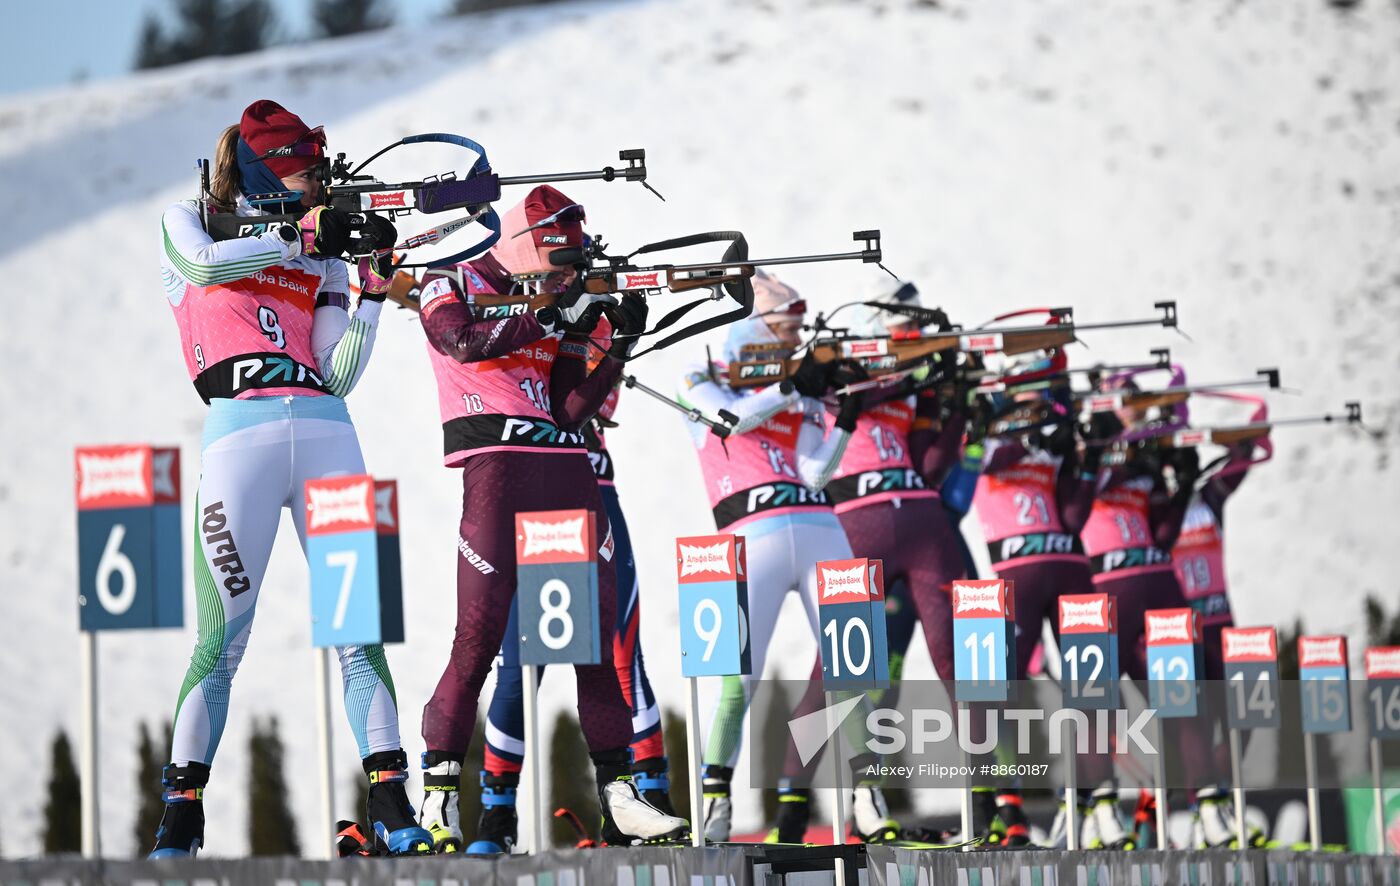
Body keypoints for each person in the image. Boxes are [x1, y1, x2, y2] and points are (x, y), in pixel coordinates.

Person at [151, 100, 430, 857]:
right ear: (268, 169)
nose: (319, 190)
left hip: (326, 434)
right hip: (238, 433)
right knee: (222, 641)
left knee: (359, 635)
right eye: (308, 174)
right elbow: (201, 267)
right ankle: (180, 816)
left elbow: (336, 373)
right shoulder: (191, 220)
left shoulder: (322, 251)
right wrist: (291, 236)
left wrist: (368, 293)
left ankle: (393, 806)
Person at [414, 185, 687, 851]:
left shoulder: (559, 300)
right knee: (477, 642)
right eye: (560, 260)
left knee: (594, 646)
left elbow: (568, 408)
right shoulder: (454, 278)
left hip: (567, 471)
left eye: (574, 266)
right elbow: (461, 342)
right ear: (530, 245)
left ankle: (619, 796)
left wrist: (616, 341)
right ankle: (440, 798)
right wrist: (550, 313)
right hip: (497, 474)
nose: (569, 276)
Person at [676, 273, 895, 843]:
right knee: (736, 684)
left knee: (857, 671)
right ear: (755, 325)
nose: (795, 336)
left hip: (823, 527)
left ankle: (868, 800)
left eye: (798, 328)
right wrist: (794, 386)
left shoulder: (799, 383)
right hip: (749, 537)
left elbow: (817, 472)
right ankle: (716, 799)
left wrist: (845, 417)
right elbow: (730, 420)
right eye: (786, 325)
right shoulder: (700, 376)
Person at [764, 282, 969, 845]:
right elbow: (835, 393)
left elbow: (931, 464)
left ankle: (991, 806)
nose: (914, 335)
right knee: (835, 667)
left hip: (920, 516)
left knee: (960, 659)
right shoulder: (839, 359)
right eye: (906, 324)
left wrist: (951, 401)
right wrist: (918, 375)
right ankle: (792, 809)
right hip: (852, 520)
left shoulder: (905, 368)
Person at [470, 374, 678, 854]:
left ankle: (649, 793)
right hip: (528, 484)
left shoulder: (587, 300)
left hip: (592, 484)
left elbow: (603, 396)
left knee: (621, 651)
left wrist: (605, 324)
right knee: (519, 664)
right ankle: (497, 813)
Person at [1075, 367, 1201, 849]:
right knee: (1097, 705)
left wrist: (1182, 482)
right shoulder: (1094, 442)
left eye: (1142, 404)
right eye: (1131, 402)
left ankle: (1182, 806)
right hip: (1103, 592)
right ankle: (1095, 811)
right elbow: (1079, 502)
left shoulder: (1144, 457)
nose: (1139, 412)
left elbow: (1164, 536)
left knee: (1179, 701)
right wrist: (1104, 447)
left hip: (1154, 585)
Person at [1170, 394, 1271, 848]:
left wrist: (1251, 433)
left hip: (1220, 623)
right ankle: (1203, 807)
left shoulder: (1209, 497)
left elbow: (1239, 464)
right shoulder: (1157, 508)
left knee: (1244, 715)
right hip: (1180, 631)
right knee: (1195, 720)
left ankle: (1220, 795)